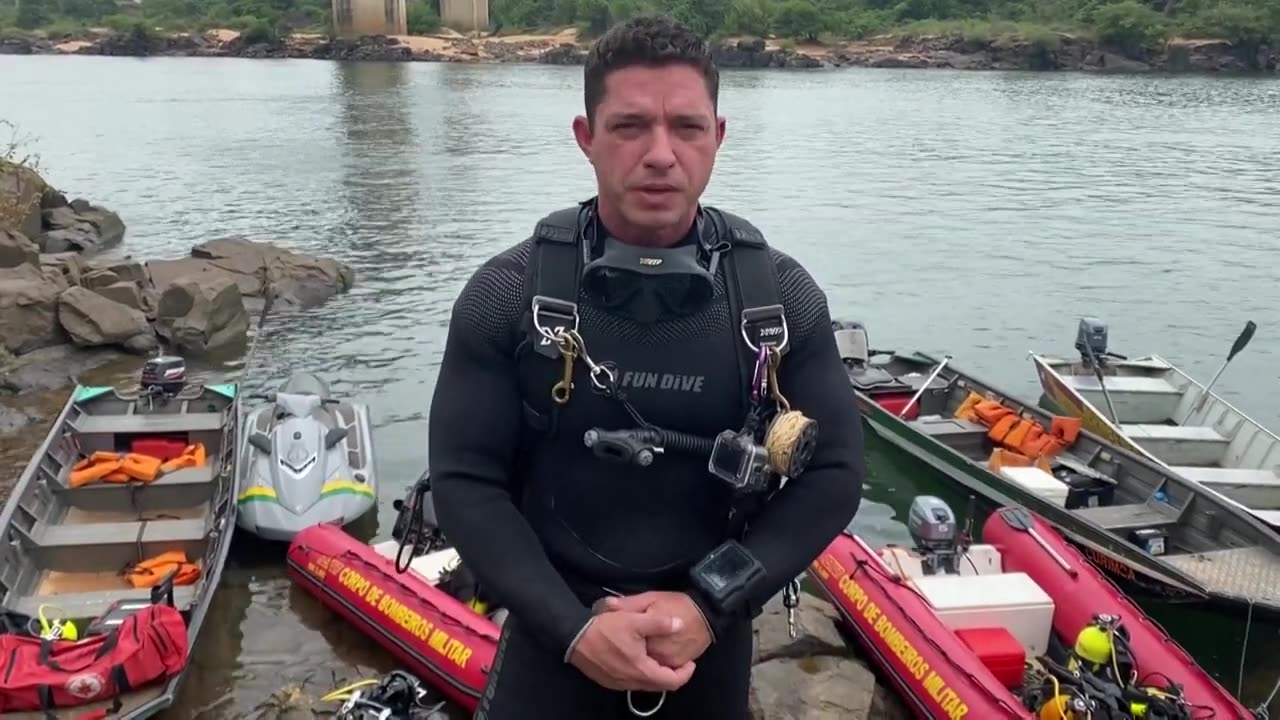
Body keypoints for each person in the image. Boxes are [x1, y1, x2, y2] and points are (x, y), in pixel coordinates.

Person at [428, 14, 865, 720]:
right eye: (630, 126)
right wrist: (575, 631)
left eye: (687, 128)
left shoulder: (777, 300)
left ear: (718, 137)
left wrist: (712, 603)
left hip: (706, 644)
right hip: (554, 641)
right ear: (586, 138)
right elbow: (465, 481)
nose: (661, 154)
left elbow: (837, 472)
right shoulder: (509, 295)